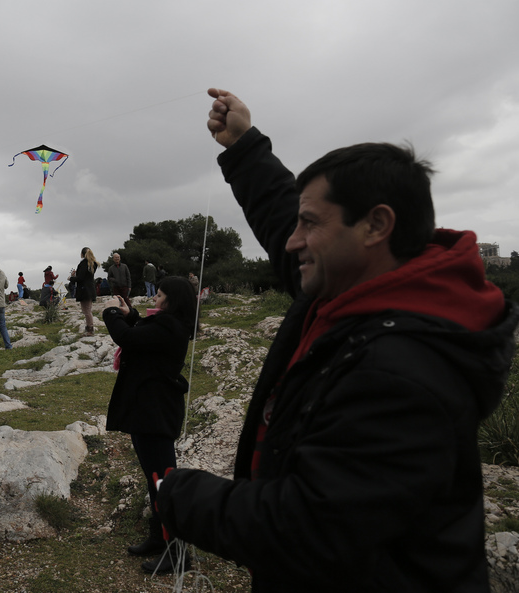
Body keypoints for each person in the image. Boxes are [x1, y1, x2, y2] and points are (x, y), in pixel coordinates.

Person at [155, 89, 519, 591]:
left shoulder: (402, 370)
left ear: (376, 225)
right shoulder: (349, 289)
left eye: (311, 223)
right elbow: (286, 217)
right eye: (299, 222)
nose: (292, 240)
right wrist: (243, 146)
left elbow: (310, 528)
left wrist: (182, 495)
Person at [103, 276, 197, 574]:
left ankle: (177, 552)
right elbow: (141, 332)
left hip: (156, 412)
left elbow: (128, 339)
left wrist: (110, 313)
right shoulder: (165, 324)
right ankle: (159, 538)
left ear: (172, 300)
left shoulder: (169, 327)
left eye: (159, 295)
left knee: (163, 482)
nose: (154, 299)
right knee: (153, 478)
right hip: (147, 410)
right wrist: (131, 316)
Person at [75, 247, 99, 336]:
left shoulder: (83, 264)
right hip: (90, 289)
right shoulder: (93, 264)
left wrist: (71, 278)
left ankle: (90, 329)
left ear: (82, 254)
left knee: (86, 311)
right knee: (88, 309)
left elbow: (80, 278)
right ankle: (89, 327)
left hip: (84, 290)